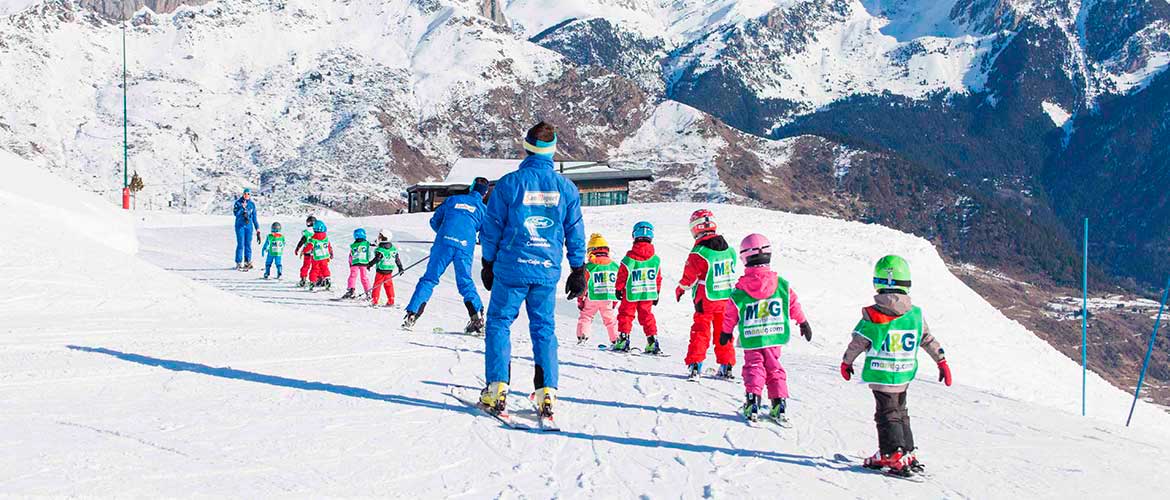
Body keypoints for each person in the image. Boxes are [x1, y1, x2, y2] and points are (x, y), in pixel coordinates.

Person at [478, 121, 586, 420]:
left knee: (499, 323)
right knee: (543, 328)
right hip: (546, 269)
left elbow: (492, 228)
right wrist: (578, 268)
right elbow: (575, 230)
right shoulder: (566, 188)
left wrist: (488, 262)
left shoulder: (509, 184)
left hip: (511, 268)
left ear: (526, 147)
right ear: (552, 151)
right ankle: (547, 392)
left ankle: (497, 387)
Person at [840, 255, 951, 477]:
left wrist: (846, 361)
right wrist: (941, 360)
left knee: (886, 413)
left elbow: (858, 342)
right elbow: (927, 339)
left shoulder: (873, 315)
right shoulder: (915, 315)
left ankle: (892, 454)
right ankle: (906, 451)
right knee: (900, 411)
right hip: (903, 374)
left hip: (881, 374)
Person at [718, 234, 813, 422]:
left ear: (745, 257)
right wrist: (803, 322)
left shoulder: (740, 290)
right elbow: (792, 303)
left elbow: (731, 313)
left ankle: (752, 401)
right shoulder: (782, 285)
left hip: (752, 337)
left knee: (754, 367)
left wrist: (726, 331)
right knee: (774, 368)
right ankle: (779, 403)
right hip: (774, 335)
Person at [402, 176, 491, 333]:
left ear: (471, 188)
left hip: (443, 243)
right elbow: (485, 235)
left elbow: (434, 221)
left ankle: (412, 314)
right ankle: (476, 316)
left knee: (429, 278)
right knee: (465, 281)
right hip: (464, 247)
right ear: (484, 194)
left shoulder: (453, 200)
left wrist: (443, 236)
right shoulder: (483, 210)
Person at [675, 209, 738, 379]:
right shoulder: (730, 251)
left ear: (695, 228)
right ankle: (727, 365)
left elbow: (689, 278)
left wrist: (680, 288)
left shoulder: (699, 253)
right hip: (726, 298)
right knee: (724, 332)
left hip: (706, 299)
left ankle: (695, 365)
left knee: (701, 331)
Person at [612, 221, 662, 354]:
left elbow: (622, 275)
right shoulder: (655, 259)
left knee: (626, 315)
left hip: (631, 293)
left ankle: (623, 340)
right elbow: (658, 277)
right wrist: (657, 292)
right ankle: (652, 340)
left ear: (634, 235)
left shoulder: (629, 259)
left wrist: (618, 288)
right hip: (648, 293)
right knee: (647, 316)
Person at [576, 233, 619, 345]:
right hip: (608, 298)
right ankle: (616, 340)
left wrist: (580, 299)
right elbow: (618, 285)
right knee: (610, 320)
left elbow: (583, 285)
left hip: (593, 297)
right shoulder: (614, 266)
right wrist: (615, 300)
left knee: (586, 316)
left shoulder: (588, 267)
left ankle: (582, 337)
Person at [366, 229, 405, 307]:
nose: (378, 237)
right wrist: (400, 268)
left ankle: (374, 301)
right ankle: (391, 300)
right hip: (389, 271)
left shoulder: (380, 250)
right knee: (389, 285)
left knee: (377, 285)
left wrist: (369, 264)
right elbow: (397, 259)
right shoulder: (393, 249)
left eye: (380, 236)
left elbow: (377, 259)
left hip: (381, 270)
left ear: (384, 237)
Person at [232, 188, 260, 271]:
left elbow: (254, 218)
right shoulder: (238, 203)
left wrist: (257, 229)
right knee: (240, 244)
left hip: (249, 227)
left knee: (248, 244)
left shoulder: (252, 204)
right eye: (245, 193)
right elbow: (235, 214)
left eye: (248, 194)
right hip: (240, 226)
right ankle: (238, 262)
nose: (246, 195)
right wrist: (242, 208)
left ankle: (247, 261)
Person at [342, 228, 373, 299]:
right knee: (364, 277)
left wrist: (350, 263)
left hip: (355, 263)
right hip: (364, 263)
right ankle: (368, 292)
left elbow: (351, 256)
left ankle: (351, 290)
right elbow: (369, 252)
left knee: (352, 276)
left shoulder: (353, 245)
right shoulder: (367, 243)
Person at [307, 219, 333, 291]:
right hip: (324, 257)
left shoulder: (313, 239)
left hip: (316, 257)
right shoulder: (326, 238)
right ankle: (327, 278)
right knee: (325, 268)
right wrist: (331, 252)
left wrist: (304, 251)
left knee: (314, 269)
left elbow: (309, 246)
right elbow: (328, 246)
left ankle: (312, 282)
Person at [295, 216, 316, 287]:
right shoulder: (317, 231)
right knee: (316, 266)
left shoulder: (306, 232)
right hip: (316, 252)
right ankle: (317, 279)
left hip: (307, 252)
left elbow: (302, 241)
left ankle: (303, 278)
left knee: (306, 265)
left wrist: (297, 248)